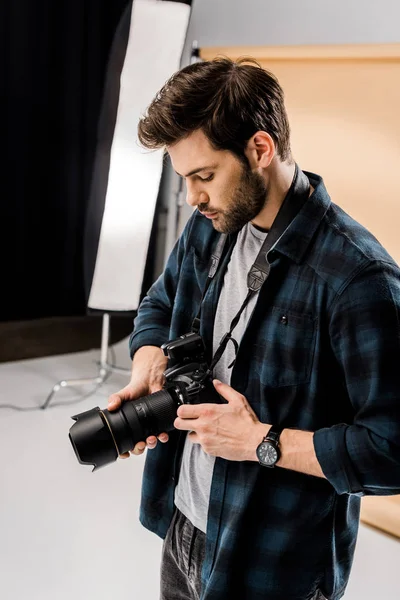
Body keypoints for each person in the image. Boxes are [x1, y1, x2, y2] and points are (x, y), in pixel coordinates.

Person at [107, 57, 400, 600]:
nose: (192, 197)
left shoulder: (359, 279)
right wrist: (149, 358)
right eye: (184, 179)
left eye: (204, 175)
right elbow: (160, 300)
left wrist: (261, 443)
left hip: (275, 569)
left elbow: (393, 448)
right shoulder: (212, 225)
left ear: (260, 150)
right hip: (185, 532)